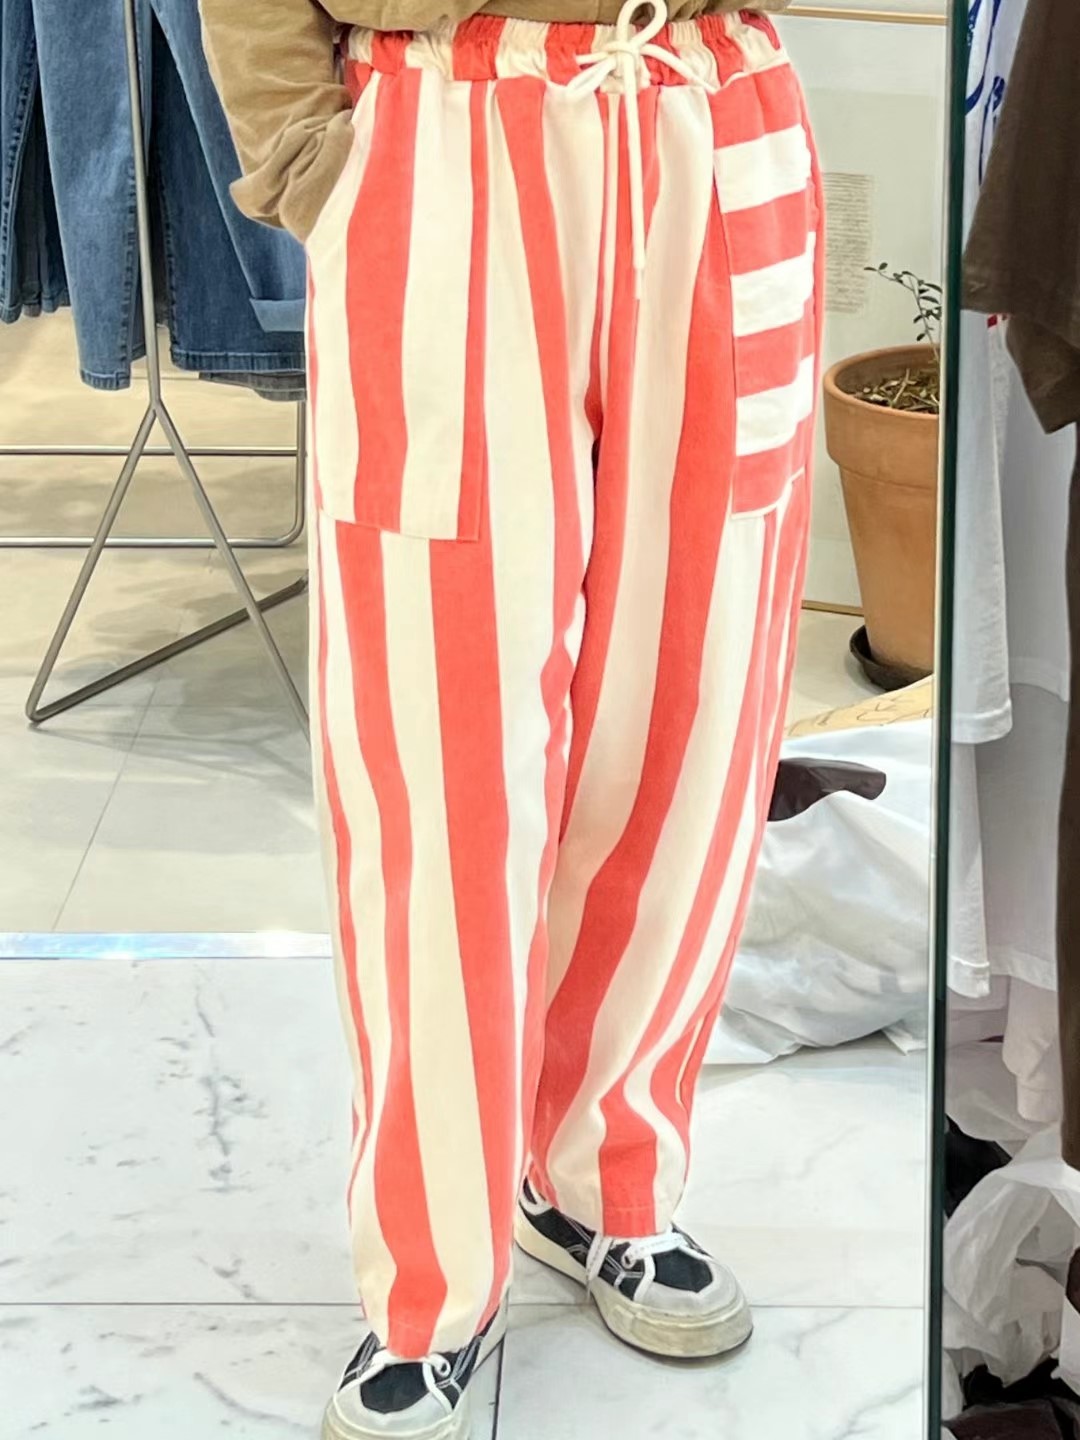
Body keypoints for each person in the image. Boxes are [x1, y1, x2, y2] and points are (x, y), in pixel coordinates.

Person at [201, 1, 819, 1435]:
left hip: (712, 114)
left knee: (694, 715)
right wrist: (309, 153)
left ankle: (612, 1178)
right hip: (444, 134)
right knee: (437, 752)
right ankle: (430, 1274)